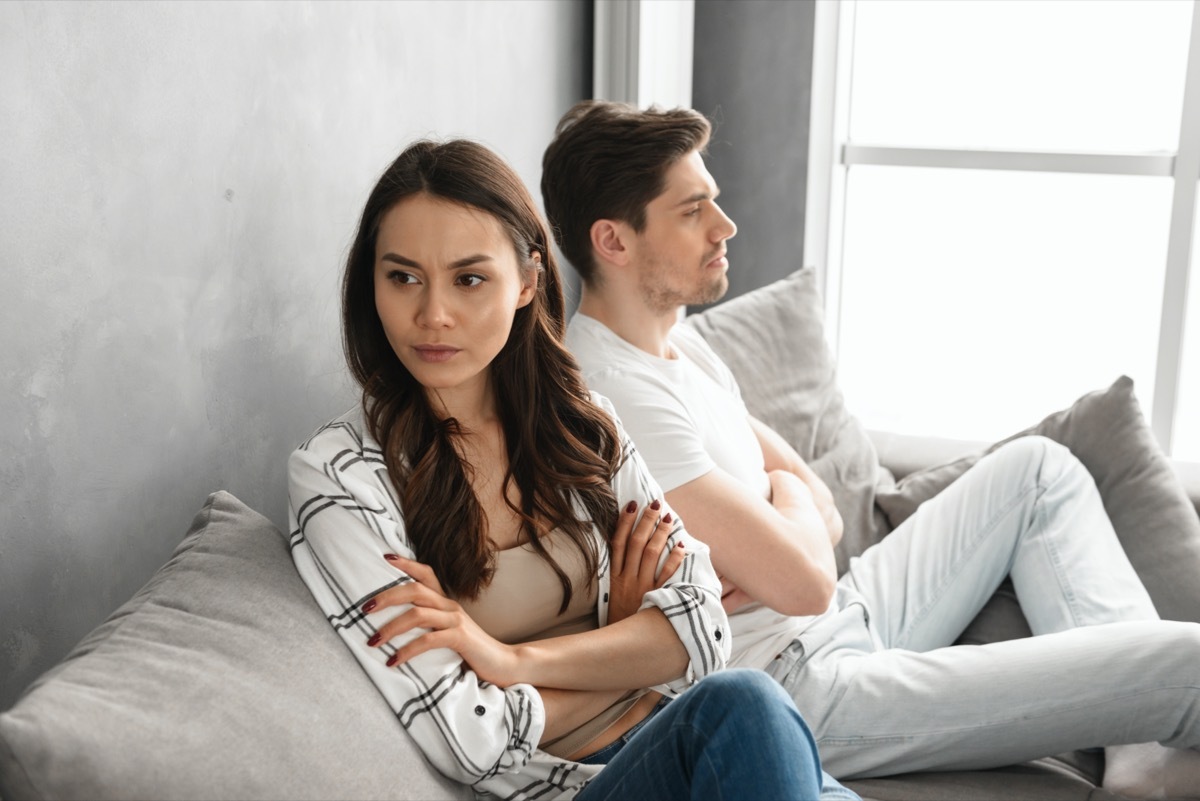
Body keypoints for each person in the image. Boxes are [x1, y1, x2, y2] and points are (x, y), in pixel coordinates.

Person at [541, 99, 1200, 798]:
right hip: (804, 686)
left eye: (717, 201)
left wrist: (784, 514)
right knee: (1189, 663)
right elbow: (804, 577)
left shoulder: (680, 342)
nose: (725, 226)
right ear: (613, 242)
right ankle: (1147, 729)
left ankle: (1136, 752)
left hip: (842, 615)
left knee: (1040, 471)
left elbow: (808, 496)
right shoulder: (616, 394)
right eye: (692, 210)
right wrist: (787, 532)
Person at [287, 138, 858, 801]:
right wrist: (627, 643)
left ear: (527, 281)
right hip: (568, 788)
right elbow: (467, 734)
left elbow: (705, 630)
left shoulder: (583, 422)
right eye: (403, 276)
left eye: (469, 278)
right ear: (372, 283)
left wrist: (507, 659)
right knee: (746, 702)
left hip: (683, 743)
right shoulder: (342, 477)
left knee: (753, 721)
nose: (432, 314)